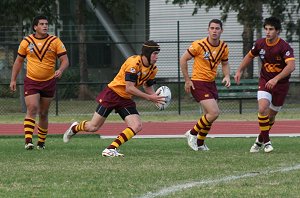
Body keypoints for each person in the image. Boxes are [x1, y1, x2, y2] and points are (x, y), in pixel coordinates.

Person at [63, 40, 165, 157]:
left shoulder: (153, 69)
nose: (157, 57)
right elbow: (129, 88)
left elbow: (147, 86)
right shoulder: (133, 64)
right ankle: (75, 127)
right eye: (155, 54)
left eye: (158, 54)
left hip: (125, 99)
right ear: (147, 53)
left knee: (136, 125)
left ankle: (110, 149)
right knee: (93, 127)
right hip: (112, 94)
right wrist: (149, 98)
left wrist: (157, 98)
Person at [234, 16, 295, 153]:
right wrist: (239, 70)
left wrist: (276, 79)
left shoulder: (284, 47)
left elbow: (291, 66)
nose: (268, 32)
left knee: (271, 117)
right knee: (262, 109)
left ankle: (259, 140)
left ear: (278, 31)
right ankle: (267, 143)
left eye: (271, 29)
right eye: (266, 29)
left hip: (281, 85)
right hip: (265, 81)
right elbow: (249, 56)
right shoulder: (260, 43)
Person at [10, 15, 69, 150]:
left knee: (43, 113)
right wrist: (13, 79)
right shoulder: (26, 41)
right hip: (32, 81)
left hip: (49, 82)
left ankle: (41, 143)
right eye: (41, 24)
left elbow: (65, 60)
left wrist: (60, 70)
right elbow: (18, 61)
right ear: (35, 27)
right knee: (32, 108)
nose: (45, 26)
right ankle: (28, 141)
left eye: (46, 24)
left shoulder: (55, 41)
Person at [180, 19, 231, 151]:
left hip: (211, 83)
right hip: (198, 82)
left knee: (208, 116)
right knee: (214, 112)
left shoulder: (224, 47)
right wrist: (187, 80)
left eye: (217, 28)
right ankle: (192, 134)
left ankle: (200, 143)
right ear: (208, 30)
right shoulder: (199, 45)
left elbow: (225, 63)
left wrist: (226, 76)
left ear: (221, 30)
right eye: (212, 28)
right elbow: (183, 59)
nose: (214, 31)